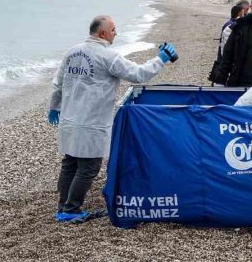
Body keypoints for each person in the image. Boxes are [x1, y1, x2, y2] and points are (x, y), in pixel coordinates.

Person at [48, 15, 177, 223]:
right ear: (103, 33)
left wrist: (54, 107)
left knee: (70, 162)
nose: (116, 33)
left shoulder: (72, 52)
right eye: (114, 29)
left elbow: (58, 83)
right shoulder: (108, 56)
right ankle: (71, 209)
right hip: (92, 121)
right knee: (88, 166)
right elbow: (138, 74)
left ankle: (63, 206)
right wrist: (160, 59)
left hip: (70, 118)